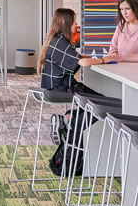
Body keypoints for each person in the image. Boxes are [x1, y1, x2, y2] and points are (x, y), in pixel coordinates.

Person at [37, 8, 105, 140]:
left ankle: (68, 119)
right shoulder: (60, 43)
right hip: (61, 87)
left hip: (54, 86)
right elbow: (83, 63)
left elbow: (77, 57)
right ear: (66, 23)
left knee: (92, 104)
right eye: (74, 21)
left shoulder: (56, 40)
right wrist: (103, 60)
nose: (76, 24)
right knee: (101, 103)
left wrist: (92, 58)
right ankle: (71, 127)